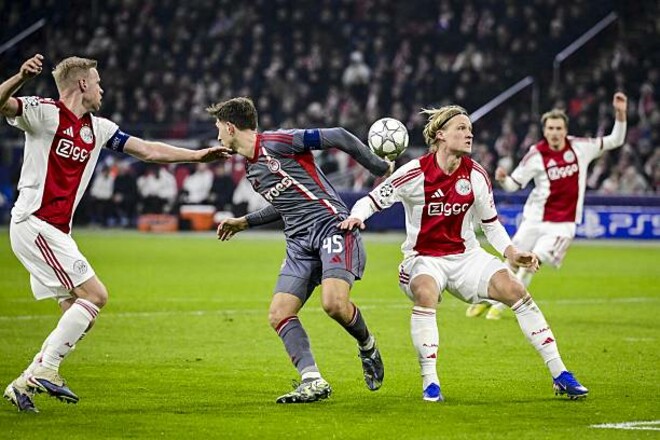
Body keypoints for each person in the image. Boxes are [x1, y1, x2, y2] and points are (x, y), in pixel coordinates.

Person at [1, 54, 228, 412]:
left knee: (78, 313)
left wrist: (198, 156)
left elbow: (149, 150)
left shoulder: (100, 128)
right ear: (82, 84)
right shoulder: (43, 113)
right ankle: (46, 369)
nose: (102, 89)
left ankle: (24, 381)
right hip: (35, 223)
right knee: (96, 295)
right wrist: (19, 78)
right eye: (98, 82)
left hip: (56, 232)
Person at [338, 105, 588, 402]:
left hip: (467, 256)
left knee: (516, 290)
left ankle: (560, 373)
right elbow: (372, 200)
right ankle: (430, 383)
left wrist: (510, 252)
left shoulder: (476, 175)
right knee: (426, 292)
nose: (469, 134)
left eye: (470, 129)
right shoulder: (415, 173)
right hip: (423, 259)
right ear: (440, 135)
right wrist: (356, 217)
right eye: (461, 128)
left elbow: (490, 224)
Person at [209, 97, 390, 403]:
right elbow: (284, 205)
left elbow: (339, 135)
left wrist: (380, 167)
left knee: (334, 304)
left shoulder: (278, 142)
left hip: (332, 226)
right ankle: (312, 380)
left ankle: (367, 345)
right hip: (299, 243)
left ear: (230, 127)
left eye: (218, 128)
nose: (217, 137)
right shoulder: (252, 169)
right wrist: (245, 222)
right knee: (278, 313)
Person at [466, 93, 627, 320]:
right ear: (545, 131)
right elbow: (514, 184)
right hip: (535, 218)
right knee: (512, 261)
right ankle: (489, 300)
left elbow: (615, 140)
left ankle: (499, 308)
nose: (554, 132)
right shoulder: (536, 154)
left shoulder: (580, 147)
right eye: (550, 128)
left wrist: (620, 114)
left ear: (565, 130)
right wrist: (504, 179)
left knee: (533, 261)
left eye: (559, 128)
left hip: (562, 224)